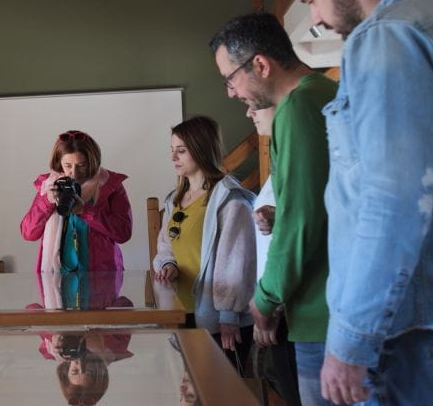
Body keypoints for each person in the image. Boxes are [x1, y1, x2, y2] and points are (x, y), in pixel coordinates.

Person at [286, 0, 433, 406]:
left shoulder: (384, 38)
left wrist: (349, 341)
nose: (317, 17)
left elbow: (392, 197)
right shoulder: (431, 17)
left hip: (402, 338)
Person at [210, 12, 339, 406]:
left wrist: (265, 300)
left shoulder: (298, 107)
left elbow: (304, 221)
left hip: (320, 314)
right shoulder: (318, 97)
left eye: (230, 78)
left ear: (259, 65)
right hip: (328, 310)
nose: (230, 92)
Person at [246, 104, 317, 406]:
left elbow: (301, 230)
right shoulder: (280, 156)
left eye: (255, 106)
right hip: (279, 304)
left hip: (291, 309)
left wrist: (269, 304)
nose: (249, 113)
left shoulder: (298, 144)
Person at [152, 116, 256, 370]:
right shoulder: (174, 199)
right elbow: (166, 245)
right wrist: (168, 264)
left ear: (200, 150)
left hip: (221, 321)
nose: (173, 157)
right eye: (172, 151)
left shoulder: (230, 201)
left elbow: (237, 262)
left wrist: (229, 315)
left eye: (181, 151)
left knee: (224, 398)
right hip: (183, 311)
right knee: (192, 395)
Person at [20, 130, 133, 273]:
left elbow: (123, 233)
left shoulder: (109, 185)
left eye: (81, 165)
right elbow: (28, 233)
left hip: (101, 277)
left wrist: (84, 211)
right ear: (58, 162)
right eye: (67, 165)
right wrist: (47, 201)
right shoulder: (49, 185)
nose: (74, 172)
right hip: (57, 277)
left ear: (92, 161)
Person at [38, 332, 134, 406]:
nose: (80, 364)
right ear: (98, 372)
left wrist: (52, 335)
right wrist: (99, 341)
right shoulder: (117, 349)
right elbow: (127, 311)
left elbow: (33, 308)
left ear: (66, 372)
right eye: (88, 371)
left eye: (75, 371)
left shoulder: (53, 351)